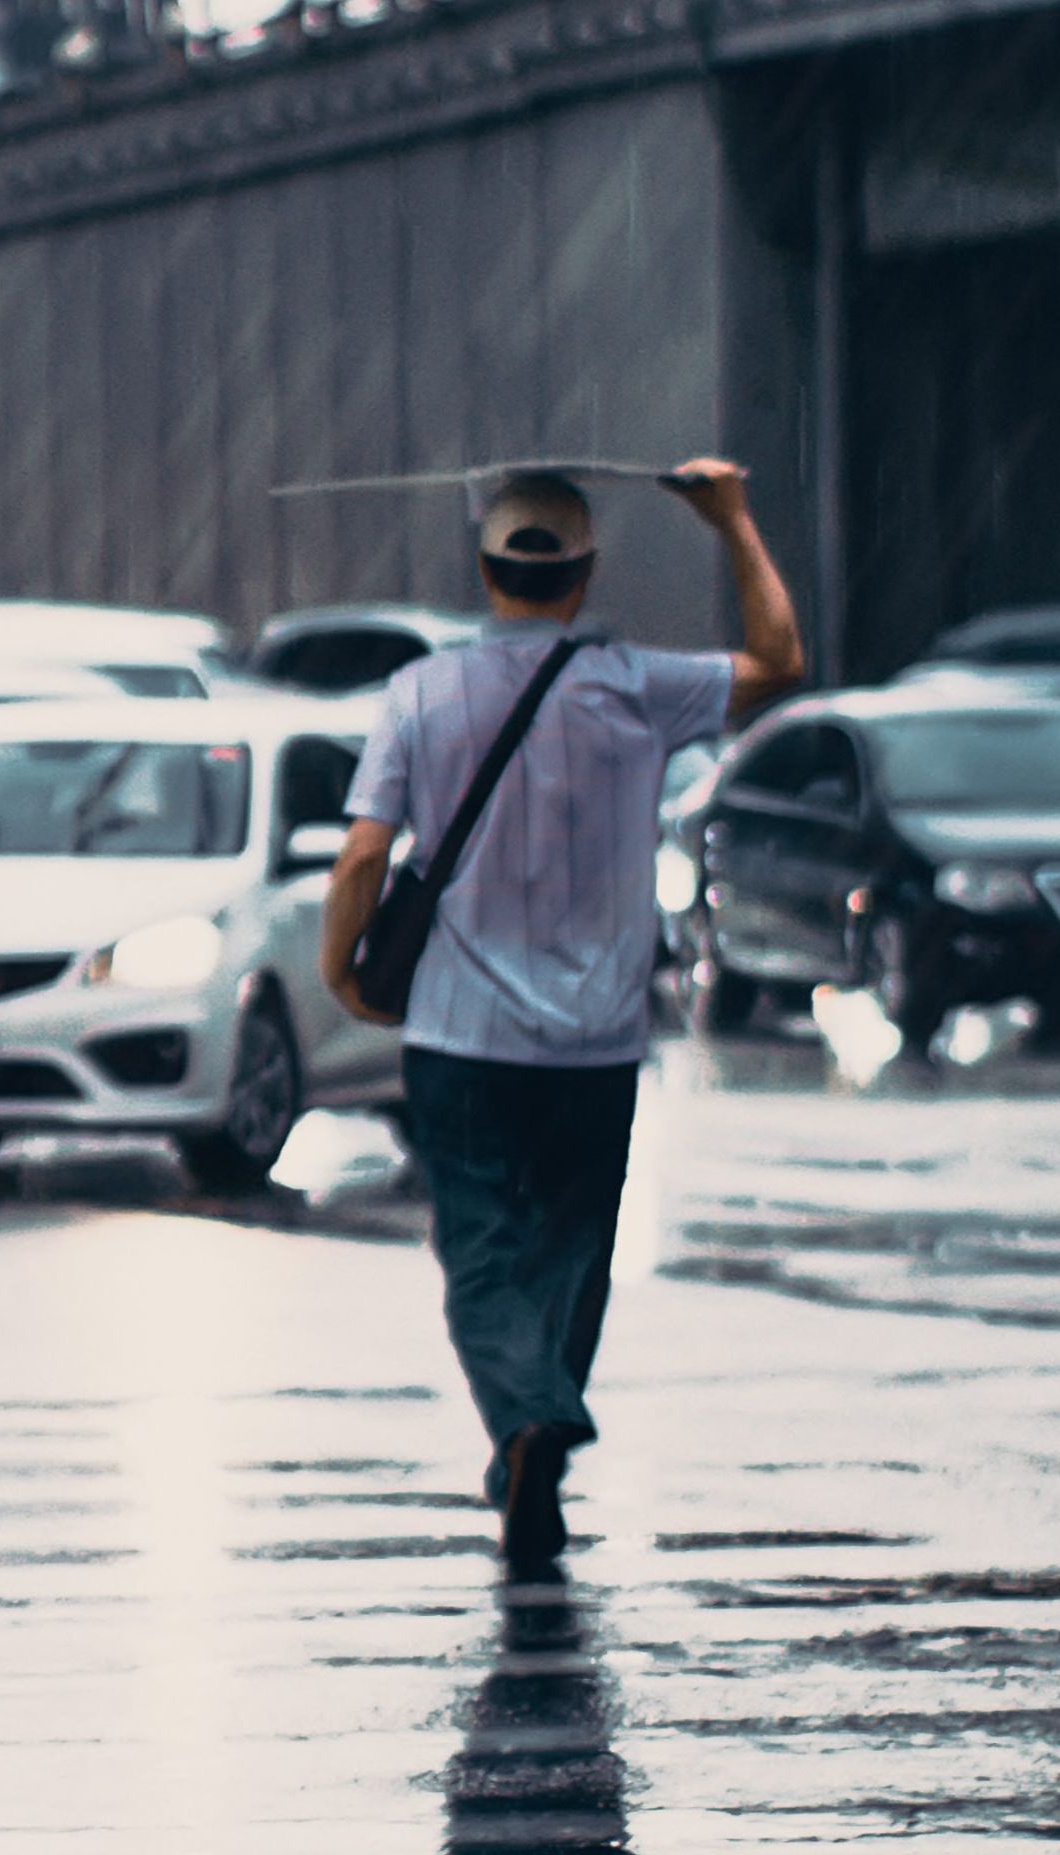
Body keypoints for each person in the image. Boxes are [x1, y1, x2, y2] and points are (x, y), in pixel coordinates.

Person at [319, 461, 803, 1575]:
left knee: (480, 1247)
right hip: (594, 1036)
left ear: (484, 572)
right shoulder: (637, 686)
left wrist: (342, 966)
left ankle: (527, 1417)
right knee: (572, 1246)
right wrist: (730, 521)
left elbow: (361, 853)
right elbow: (780, 660)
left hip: (456, 1034)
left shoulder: (421, 693)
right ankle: (541, 1424)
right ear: (582, 577)